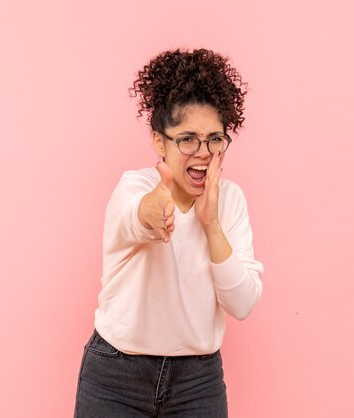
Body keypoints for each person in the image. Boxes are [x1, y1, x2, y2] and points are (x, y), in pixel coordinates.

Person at [73, 48, 263, 418]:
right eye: (187, 139)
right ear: (160, 141)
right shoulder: (134, 187)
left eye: (214, 139)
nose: (203, 152)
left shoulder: (231, 200)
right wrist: (154, 213)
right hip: (116, 375)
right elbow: (137, 216)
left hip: (198, 381)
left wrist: (211, 225)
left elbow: (242, 304)